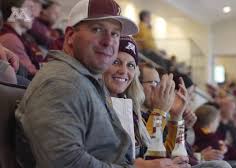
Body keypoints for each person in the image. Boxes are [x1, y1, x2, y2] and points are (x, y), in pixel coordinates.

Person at [15, 0, 143, 167]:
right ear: (69, 37)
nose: (109, 41)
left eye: (115, 34)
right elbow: (66, 162)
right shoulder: (62, 83)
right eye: (97, 29)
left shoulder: (84, 79)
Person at [103, 35, 190, 168]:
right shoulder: (100, 103)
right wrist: (158, 113)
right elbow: (144, 155)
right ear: (139, 83)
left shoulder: (133, 112)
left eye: (130, 65)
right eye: (116, 62)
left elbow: (168, 155)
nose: (123, 71)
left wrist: (176, 118)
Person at [1, 0, 41, 78]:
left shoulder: (26, 37)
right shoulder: (10, 39)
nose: (34, 15)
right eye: (30, 8)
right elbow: (32, 74)